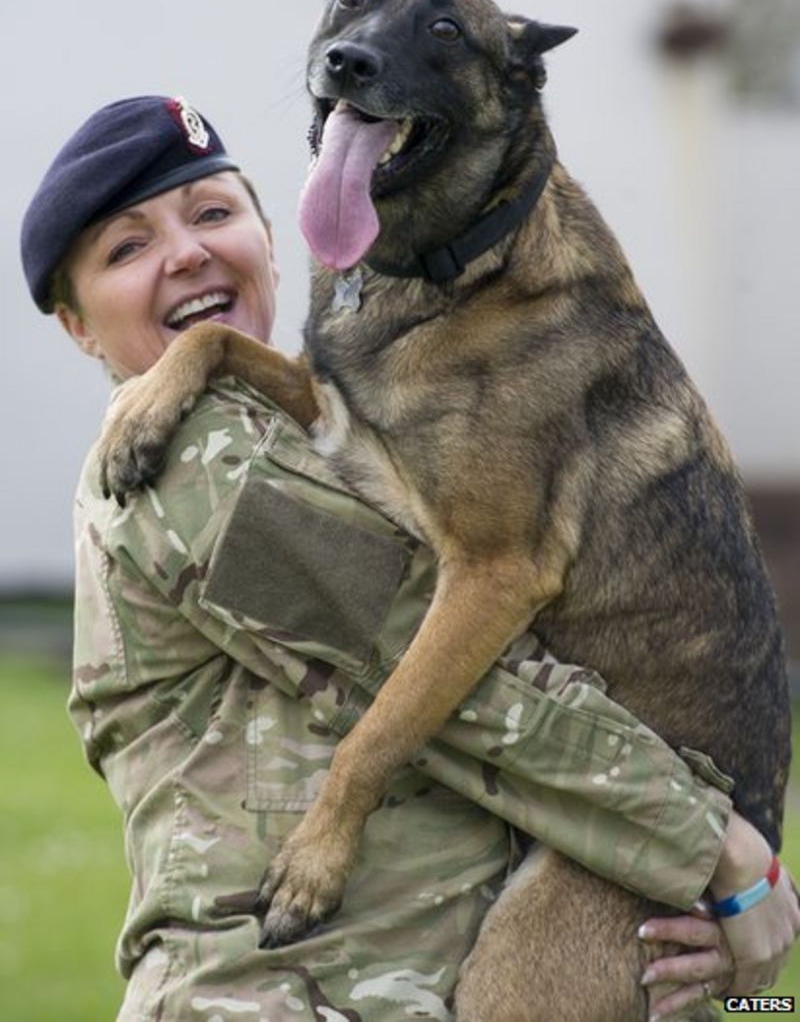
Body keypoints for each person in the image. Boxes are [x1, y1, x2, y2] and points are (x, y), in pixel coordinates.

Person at [20, 96, 799, 1022]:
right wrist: (725, 850)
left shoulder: (301, 419)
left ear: (278, 238)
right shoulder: (197, 460)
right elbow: (477, 688)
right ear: (76, 325)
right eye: (127, 247)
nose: (186, 252)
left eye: (213, 214)